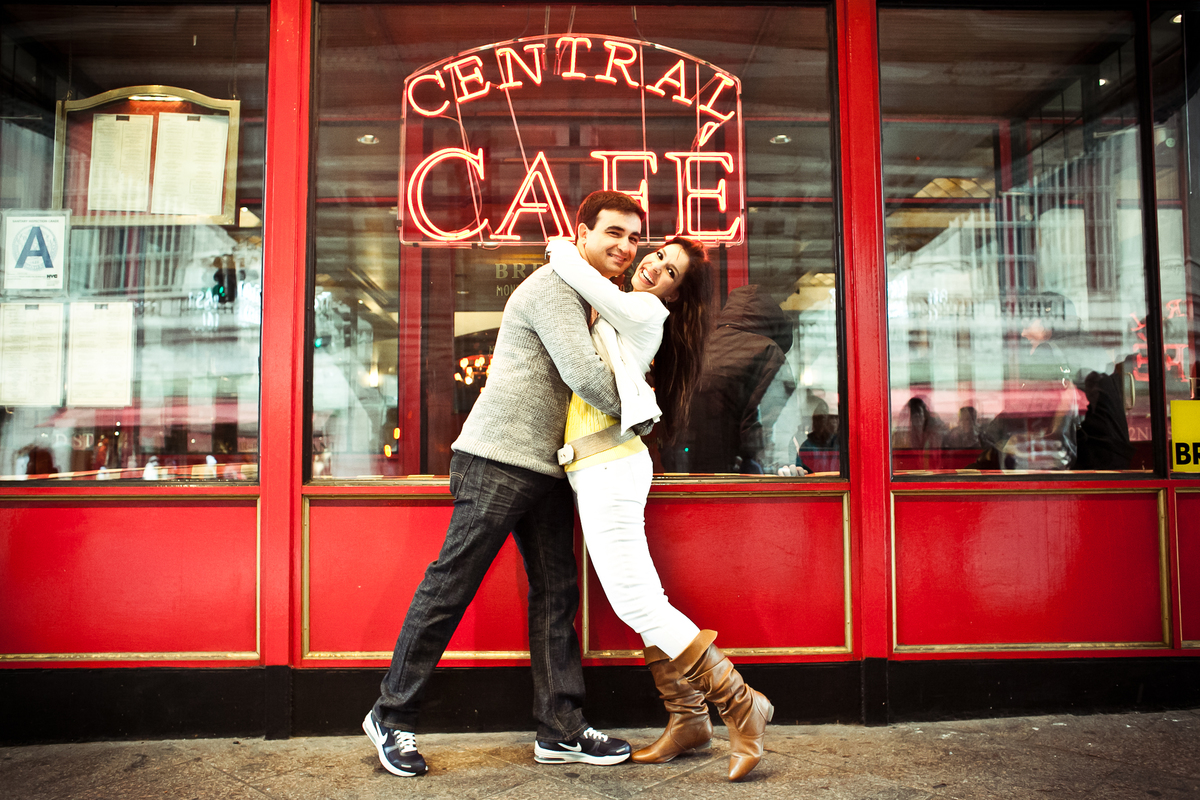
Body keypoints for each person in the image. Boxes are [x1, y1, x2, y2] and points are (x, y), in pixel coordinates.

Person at [363, 191, 649, 777]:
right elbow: (586, 377)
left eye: (634, 238)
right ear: (582, 232)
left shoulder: (597, 299)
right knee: (450, 588)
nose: (625, 247)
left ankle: (561, 729)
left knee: (557, 597)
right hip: (497, 459)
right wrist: (646, 410)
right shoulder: (554, 287)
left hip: (548, 466)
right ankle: (390, 717)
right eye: (613, 233)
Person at [546, 233, 774, 782]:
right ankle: (688, 719)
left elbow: (582, 277)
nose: (654, 268)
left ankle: (742, 703)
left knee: (637, 605)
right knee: (645, 600)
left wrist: (562, 249)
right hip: (596, 468)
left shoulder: (644, 311)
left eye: (669, 271)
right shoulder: (627, 308)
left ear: (674, 294)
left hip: (610, 470)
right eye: (657, 257)